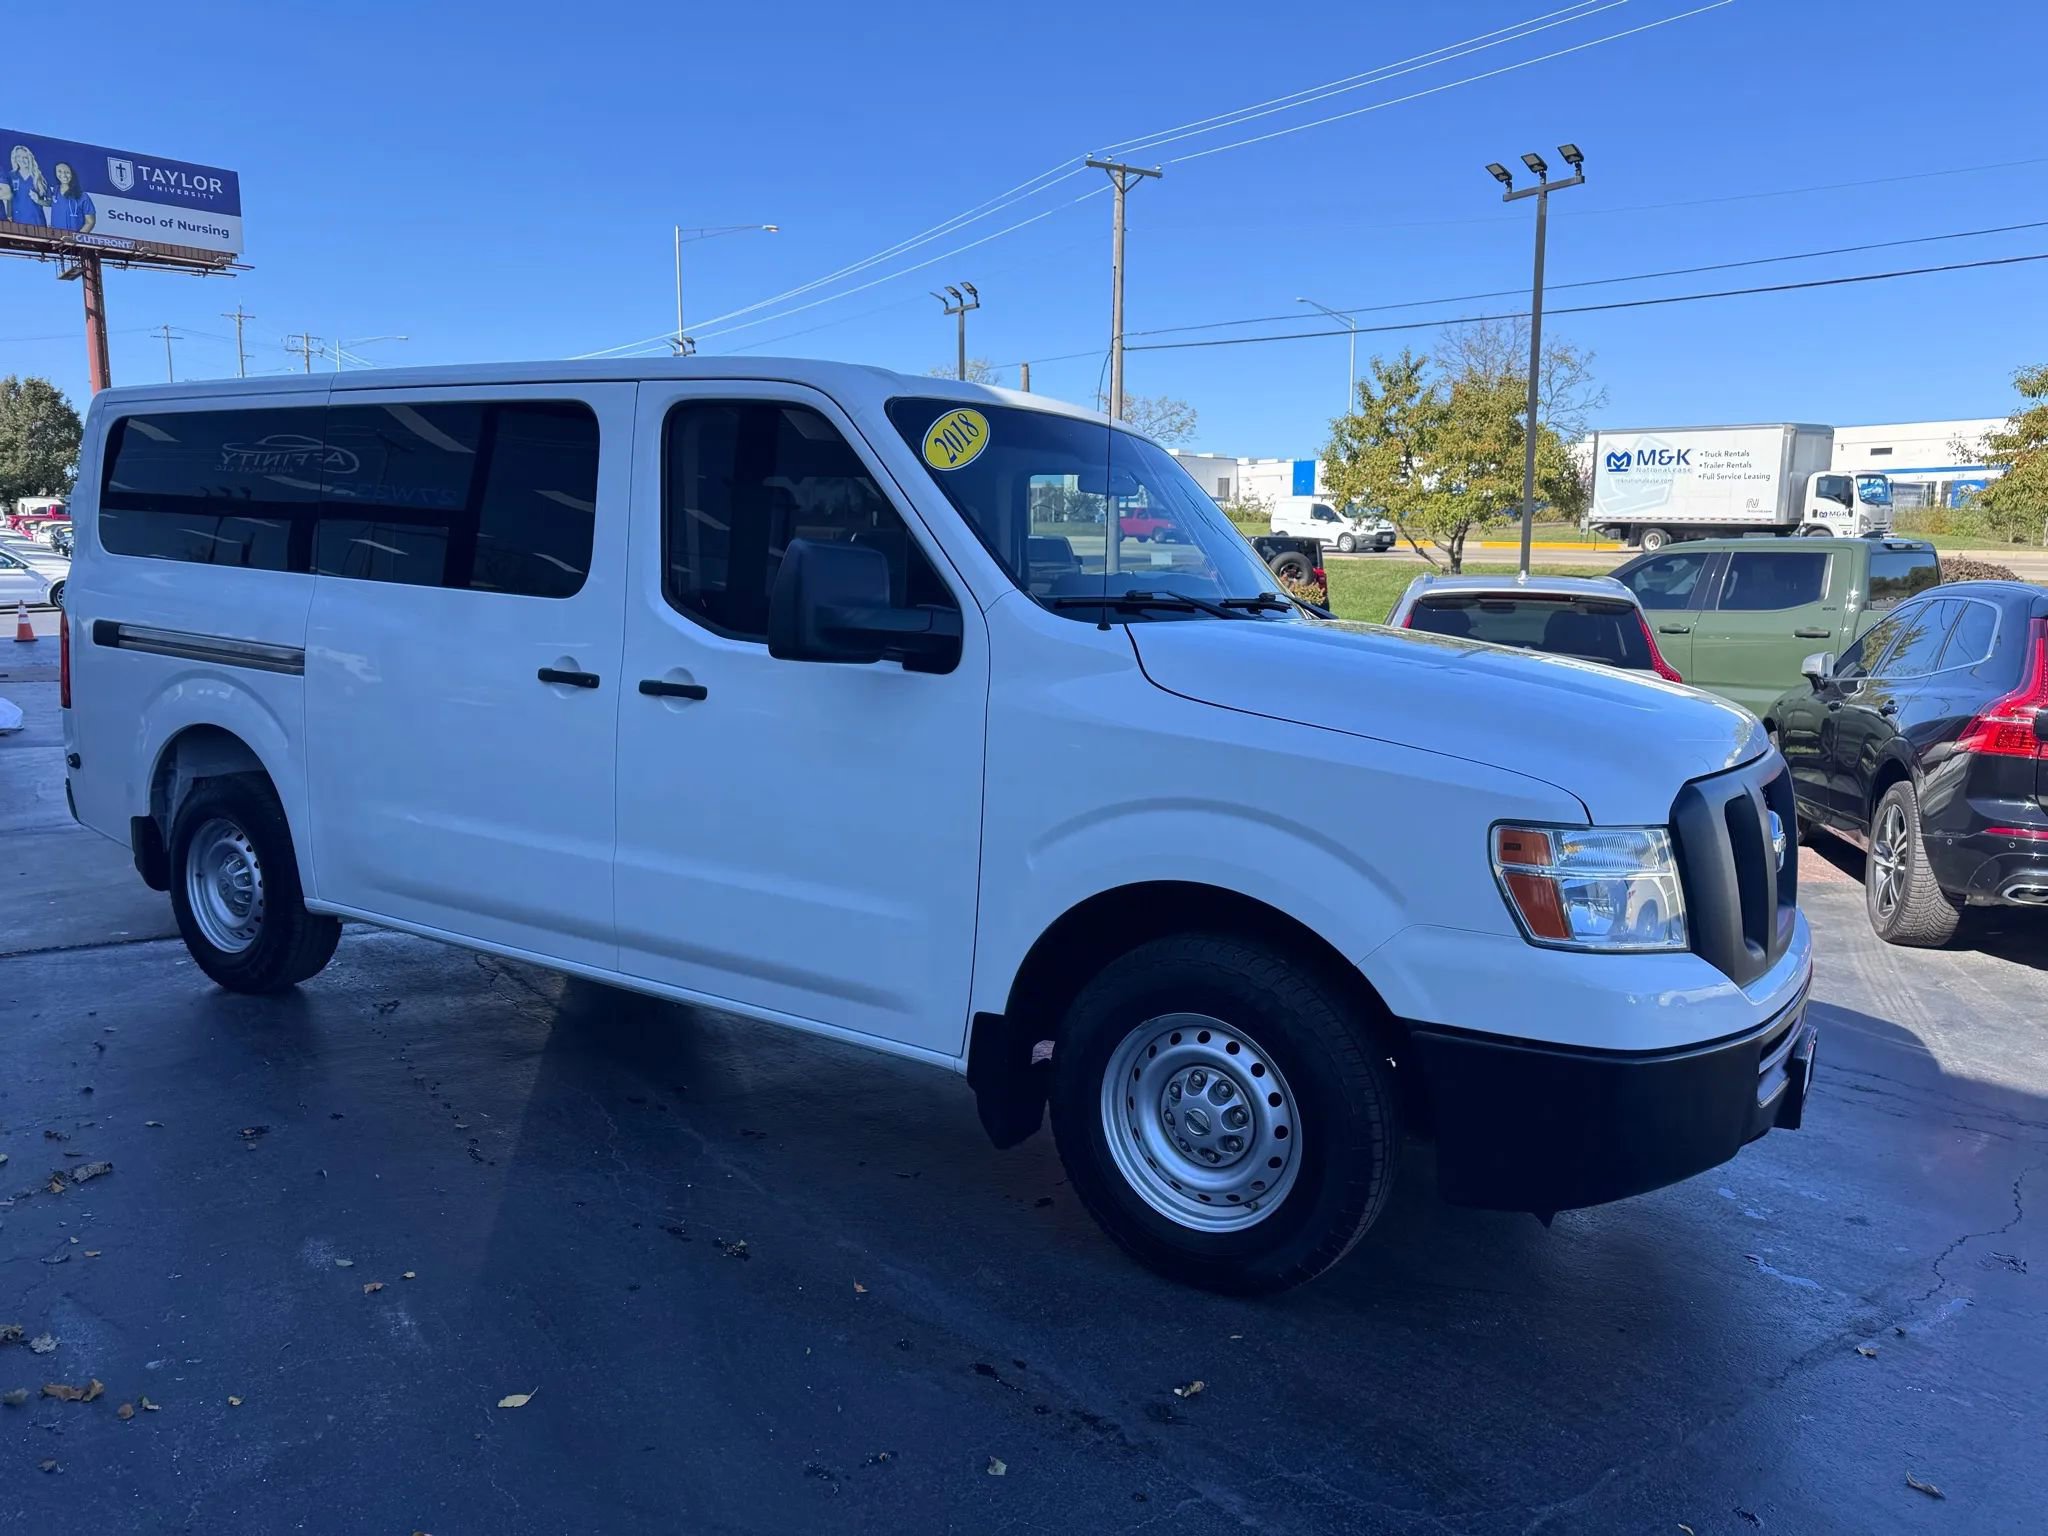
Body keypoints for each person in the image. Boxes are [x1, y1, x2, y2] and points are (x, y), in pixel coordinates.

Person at [2, 145, 50, 226]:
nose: (22, 160)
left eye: (25, 157)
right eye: (18, 157)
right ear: (15, 159)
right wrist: (9, 215)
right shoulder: (11, 176)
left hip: (36, 220)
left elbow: (50, 203)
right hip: (17, 220)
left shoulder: (39, 177)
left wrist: (38, 200)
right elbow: (9, 198)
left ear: (30, 158)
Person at [45, 161, 94, 233]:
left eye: (67, 172)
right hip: (56, 240)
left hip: (74, 241)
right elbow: (49, 203)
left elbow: (90, 222)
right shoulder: (55, 191)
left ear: (72, 173)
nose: (63, 175)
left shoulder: (82, 196)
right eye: (59, 171)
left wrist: (77, 237)